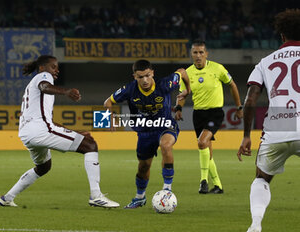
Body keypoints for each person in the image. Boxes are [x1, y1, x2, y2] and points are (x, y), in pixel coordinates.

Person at [0, 55, 119, 208]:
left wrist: (74, 132)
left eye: (57, 67)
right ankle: (96, 195)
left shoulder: (32, 89)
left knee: (43, 167)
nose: (57, 70)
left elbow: (49, 122)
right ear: (42, 68)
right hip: (39, 130)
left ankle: (7, 197)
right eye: (53, 67)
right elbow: (44, 86)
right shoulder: (43, 77)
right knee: (90, 145)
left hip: (28, 133)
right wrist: (66, 91)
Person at [237, 9, 300, 232]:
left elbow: (251, 99)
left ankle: (255, 224)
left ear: (281, 35)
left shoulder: (266, 62)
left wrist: (246, 136)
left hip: (280, 123)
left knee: (261, 178)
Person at [104, 59, 190, 209]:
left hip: (165, 125)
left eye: (147, 75)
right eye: (140, 77)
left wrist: (187, 90)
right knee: (143, 166)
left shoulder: (165, 84)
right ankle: (139, 197)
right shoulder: (130, 90)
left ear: (152, 73)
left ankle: (167, 189)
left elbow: (182, 71)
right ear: (134, 77)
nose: (144, 80)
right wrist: (109, 119)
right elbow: (108, 102)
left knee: (166, 145)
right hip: (145, 131)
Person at [175, 40, 243, 194]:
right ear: (191, 54)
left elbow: (232, 85)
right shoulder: (187, 73)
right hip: (198, 114)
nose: (198, 56)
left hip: (215, 113)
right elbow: (183, 94)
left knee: (201, 142)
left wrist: (239, 106)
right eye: (195, 52)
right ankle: (218, 186)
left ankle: (203, 181)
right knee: (206, 149)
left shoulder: (217, 69)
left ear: (206, 54)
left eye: (201, 52)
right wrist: (179, 107)